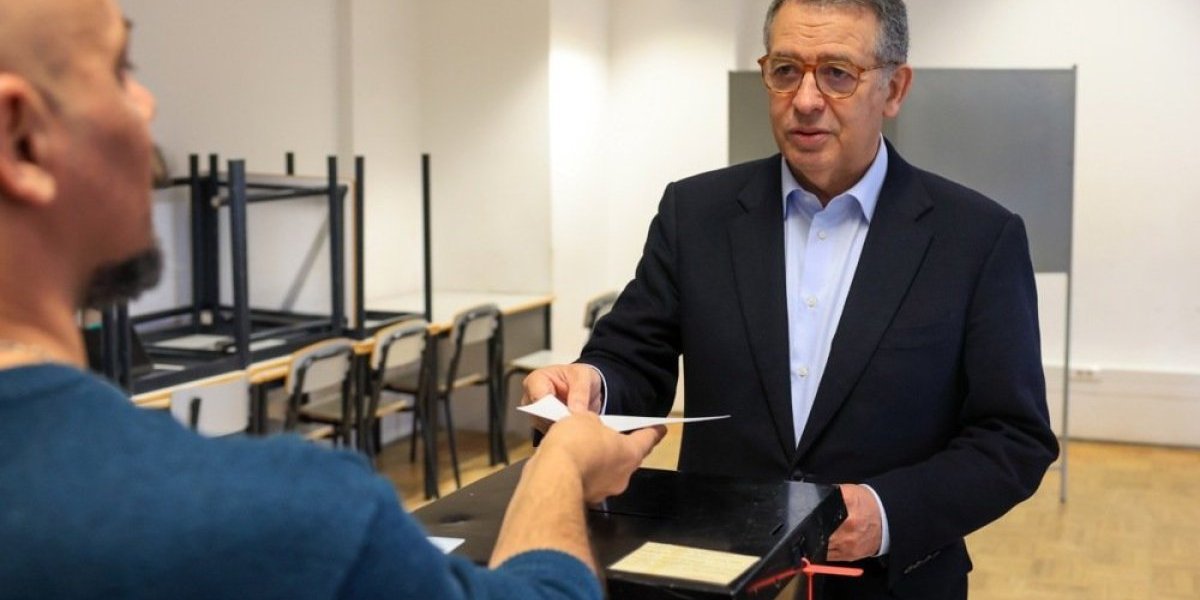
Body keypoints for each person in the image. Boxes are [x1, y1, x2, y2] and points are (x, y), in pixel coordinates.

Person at [0, 1, 663, 598]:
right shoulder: (293, 517)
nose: (146, 104)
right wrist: (561, 463)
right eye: (121, 69)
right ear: (19, 136)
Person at [522, 0, 1059, 598]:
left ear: (894, 88)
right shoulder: (695, 214)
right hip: (716, 571)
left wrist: (886, 512)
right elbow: (633, 357)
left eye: (837, 73)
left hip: (888, 584)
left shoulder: (976, 238)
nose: (805, 100)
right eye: (785, 70)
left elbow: (1014, 437)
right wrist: (590, 385)